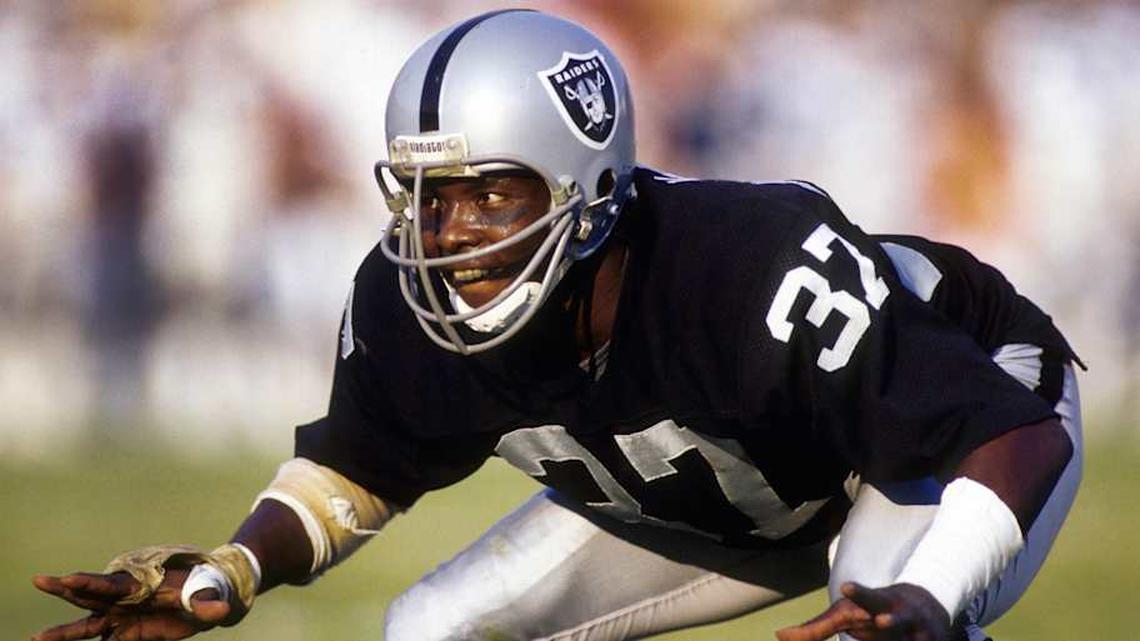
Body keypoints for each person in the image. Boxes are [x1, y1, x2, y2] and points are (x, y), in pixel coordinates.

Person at [33, 9, 1083, 641]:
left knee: (878, 621)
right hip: (755, 498)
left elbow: (1013, 434)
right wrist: (233, 570)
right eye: (429, 197)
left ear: (588, 186)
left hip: (959, 420)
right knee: (432, 627)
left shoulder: (741, 267)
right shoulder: (408, 299)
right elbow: (358, 464)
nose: (452, 234)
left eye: (492, 193)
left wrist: (933, 593)